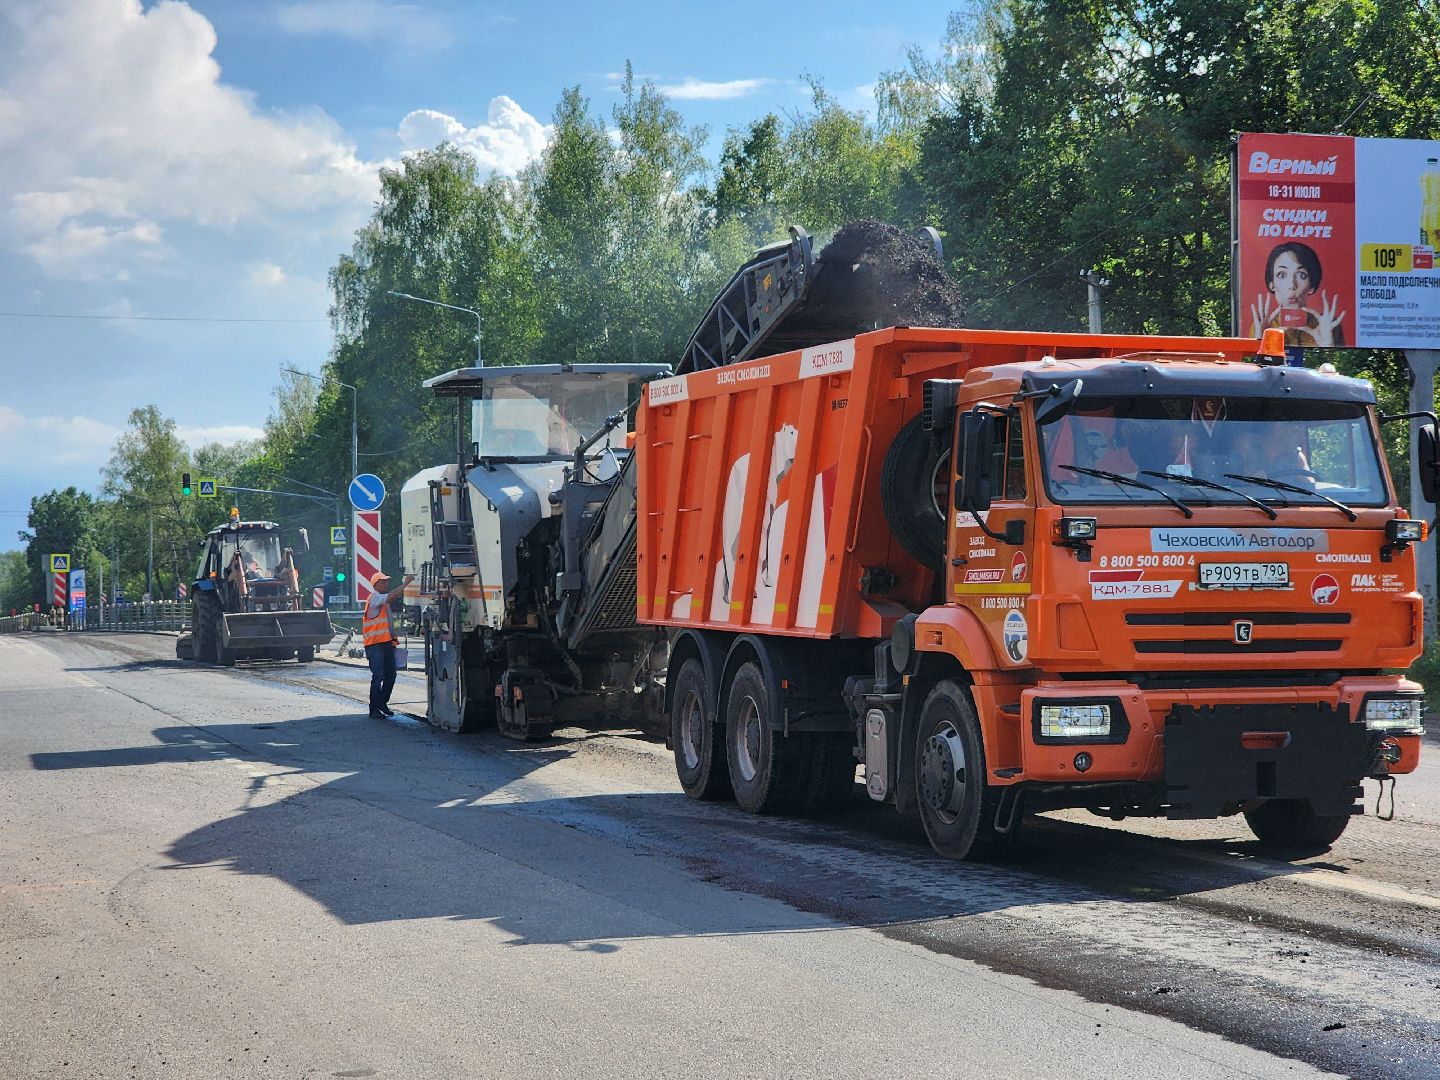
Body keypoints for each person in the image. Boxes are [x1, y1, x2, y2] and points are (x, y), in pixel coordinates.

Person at [1249, 241, 1346, 347]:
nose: (1292, 285)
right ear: (1272, 284)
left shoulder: (1327, 326)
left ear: (1311, 286)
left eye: (1301, 275)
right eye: (1281, 275)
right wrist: (1260, 343)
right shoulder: (1261, 327)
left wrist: (1327, 345)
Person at [362, 569, 414, 719]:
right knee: (378, 676)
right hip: (375, 645)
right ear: (376, 585)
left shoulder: (384, 603)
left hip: (386, 644)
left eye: (387, 582)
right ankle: (374, 709)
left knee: (391, 675)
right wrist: (405, 584)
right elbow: (391, 595)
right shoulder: (374, 598)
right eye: (383, 582)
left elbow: (387, 624)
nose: (386, 584)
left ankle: (382, 703)